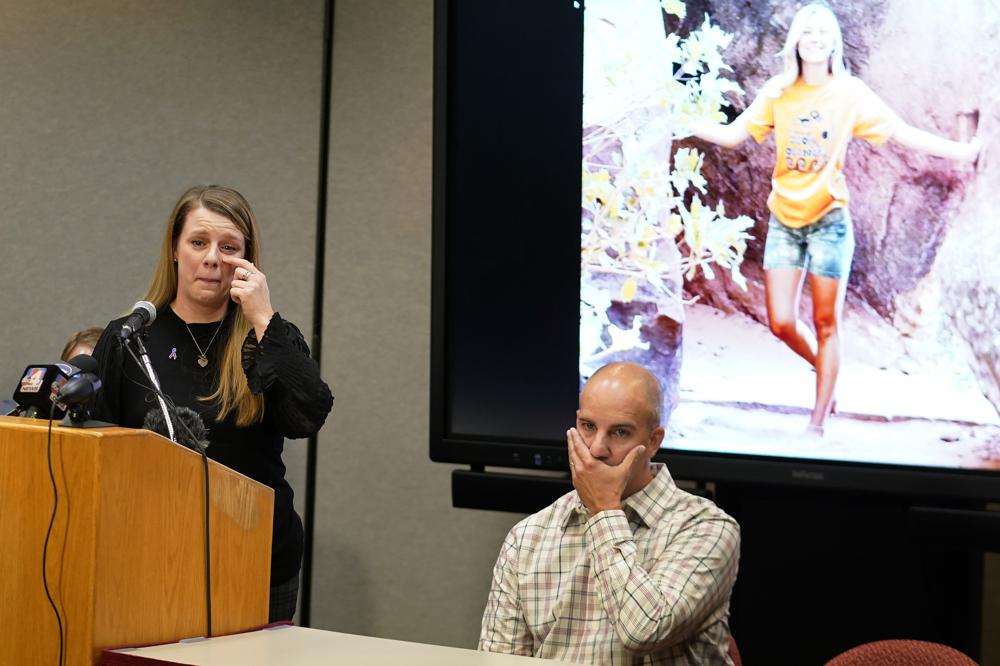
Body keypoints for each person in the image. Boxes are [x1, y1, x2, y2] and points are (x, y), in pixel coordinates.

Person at [691, 3, 981, 435]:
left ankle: (818, 423)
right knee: (781, 321)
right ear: (796, 41)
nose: (815, 39)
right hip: (785, 220)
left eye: (823, 33)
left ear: (834, 43)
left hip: (830, 222)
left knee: (827, 324)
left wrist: (962, 151)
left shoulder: (850, 93)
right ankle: (826, 372)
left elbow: (901, 132)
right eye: (808, 32)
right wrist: (679, 119)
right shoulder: (778, 91)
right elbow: (734, 135)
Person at [92, 185, 333, 622]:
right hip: (152, 558)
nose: (212, 259)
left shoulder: (268, 337)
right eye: (198, 242)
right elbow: (96, 450)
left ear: (247, 260)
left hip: (257, 559)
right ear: (174, 249)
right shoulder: (129, 338)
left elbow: (307, 416)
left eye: (229, 247)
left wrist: (263, 317)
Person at [479, 362, 740, 664]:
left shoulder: (706, 527)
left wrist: (604, 509)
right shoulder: (527, 537)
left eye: (619, 432)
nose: (597, 449)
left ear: (653, 441)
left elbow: (643, 630)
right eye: (588, 427)